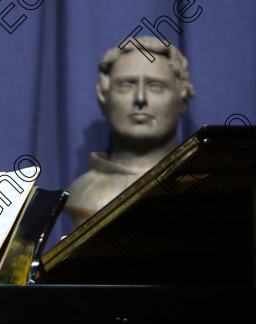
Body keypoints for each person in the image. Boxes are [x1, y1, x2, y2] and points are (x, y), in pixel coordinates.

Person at [64, 36, 195, 229]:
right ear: (103, 97)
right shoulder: (82, 193)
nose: (140, 98)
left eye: (155, 86)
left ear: (182, 99)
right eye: (126, 86)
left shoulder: (203, 186)